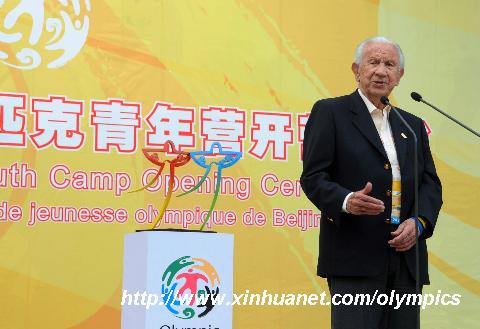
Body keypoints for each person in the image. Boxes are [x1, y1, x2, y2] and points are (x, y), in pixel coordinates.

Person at [300, 36, 442, 329]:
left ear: (399, 76)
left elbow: (430, 183)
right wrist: (346, 200)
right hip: (354, 258)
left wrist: (419, 223)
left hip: (406, 261)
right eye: (373, 62)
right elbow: (313, 177)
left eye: (389, 65)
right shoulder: (331, 112)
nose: (381, 71)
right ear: (356, 69)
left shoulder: (411, 126)